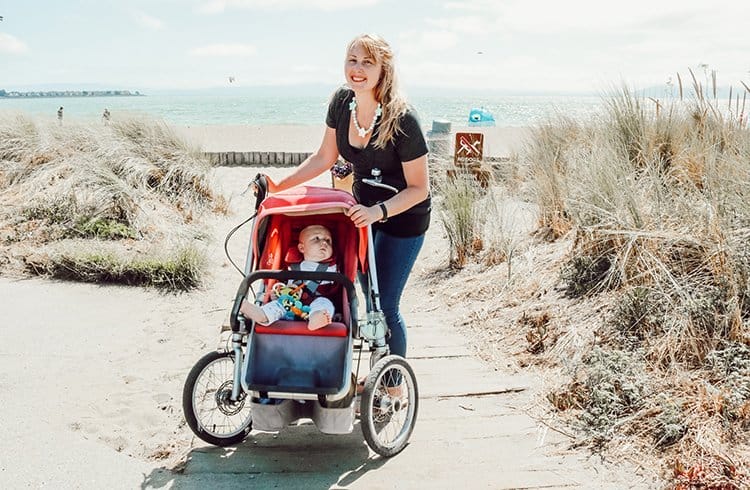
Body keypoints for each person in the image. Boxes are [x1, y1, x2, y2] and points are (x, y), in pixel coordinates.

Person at [259, 34, 430, 361]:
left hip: (404, 217)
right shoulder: (341, 103)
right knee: (366, 293)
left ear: (384, 69)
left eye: (367, 62)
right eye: (352, 60)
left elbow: (419, 188)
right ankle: (375, 369)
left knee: (385, 303)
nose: (358, 69)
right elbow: (324, 157)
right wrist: (279, 185)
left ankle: (392, 387)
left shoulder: (403, 118)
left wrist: (378, 211)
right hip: (362, 211)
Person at [240, 224, 338, 331]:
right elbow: (281, 286)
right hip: (290, 304)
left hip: (317, 301)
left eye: (328, 240)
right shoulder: (290, 266)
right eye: (316, 238)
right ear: (301, 247)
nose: (324, 242)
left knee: (325, 304)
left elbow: (339, 290)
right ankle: (262, 314)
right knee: (277, 305)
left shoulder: (333, 267)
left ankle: (316, 319)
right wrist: (276, 294)